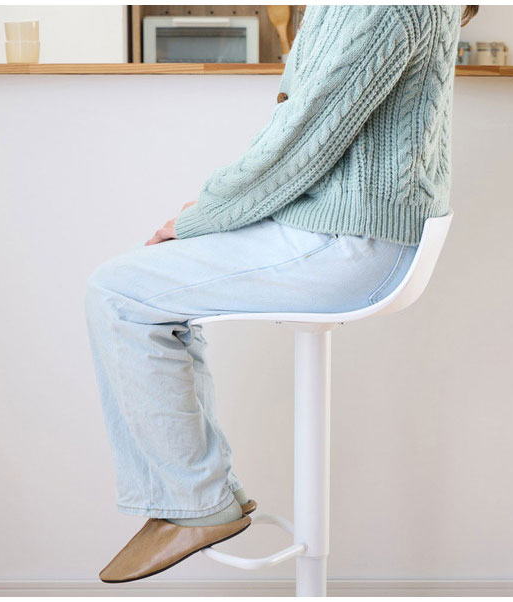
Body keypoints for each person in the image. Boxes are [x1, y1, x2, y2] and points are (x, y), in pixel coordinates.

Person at [85, 4, 478, 584]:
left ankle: (195, 504)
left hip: (351, 243)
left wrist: (208, 215)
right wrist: (220, 211)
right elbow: (312, 126)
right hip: (348, 229)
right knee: (142, 290)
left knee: (120, 291)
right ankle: (200, 494)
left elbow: (302, 138)